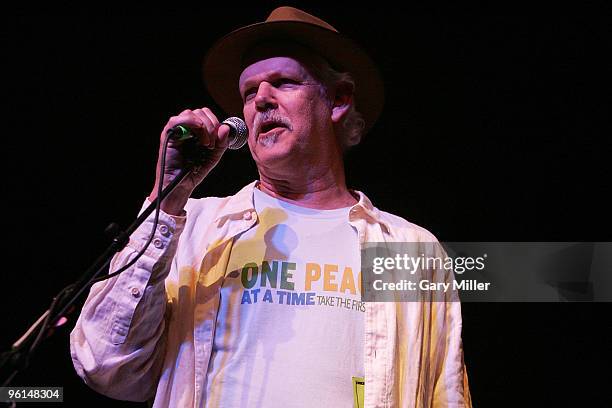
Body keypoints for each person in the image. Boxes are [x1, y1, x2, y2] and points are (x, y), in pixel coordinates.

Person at [70, 6, 471, 407]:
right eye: (249, 92)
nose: (261, 100)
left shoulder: (410, 249)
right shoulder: (194, 227)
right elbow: (107, 365)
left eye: (283, 82)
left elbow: (446, 393)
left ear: (338, 99)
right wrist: (166, 199)